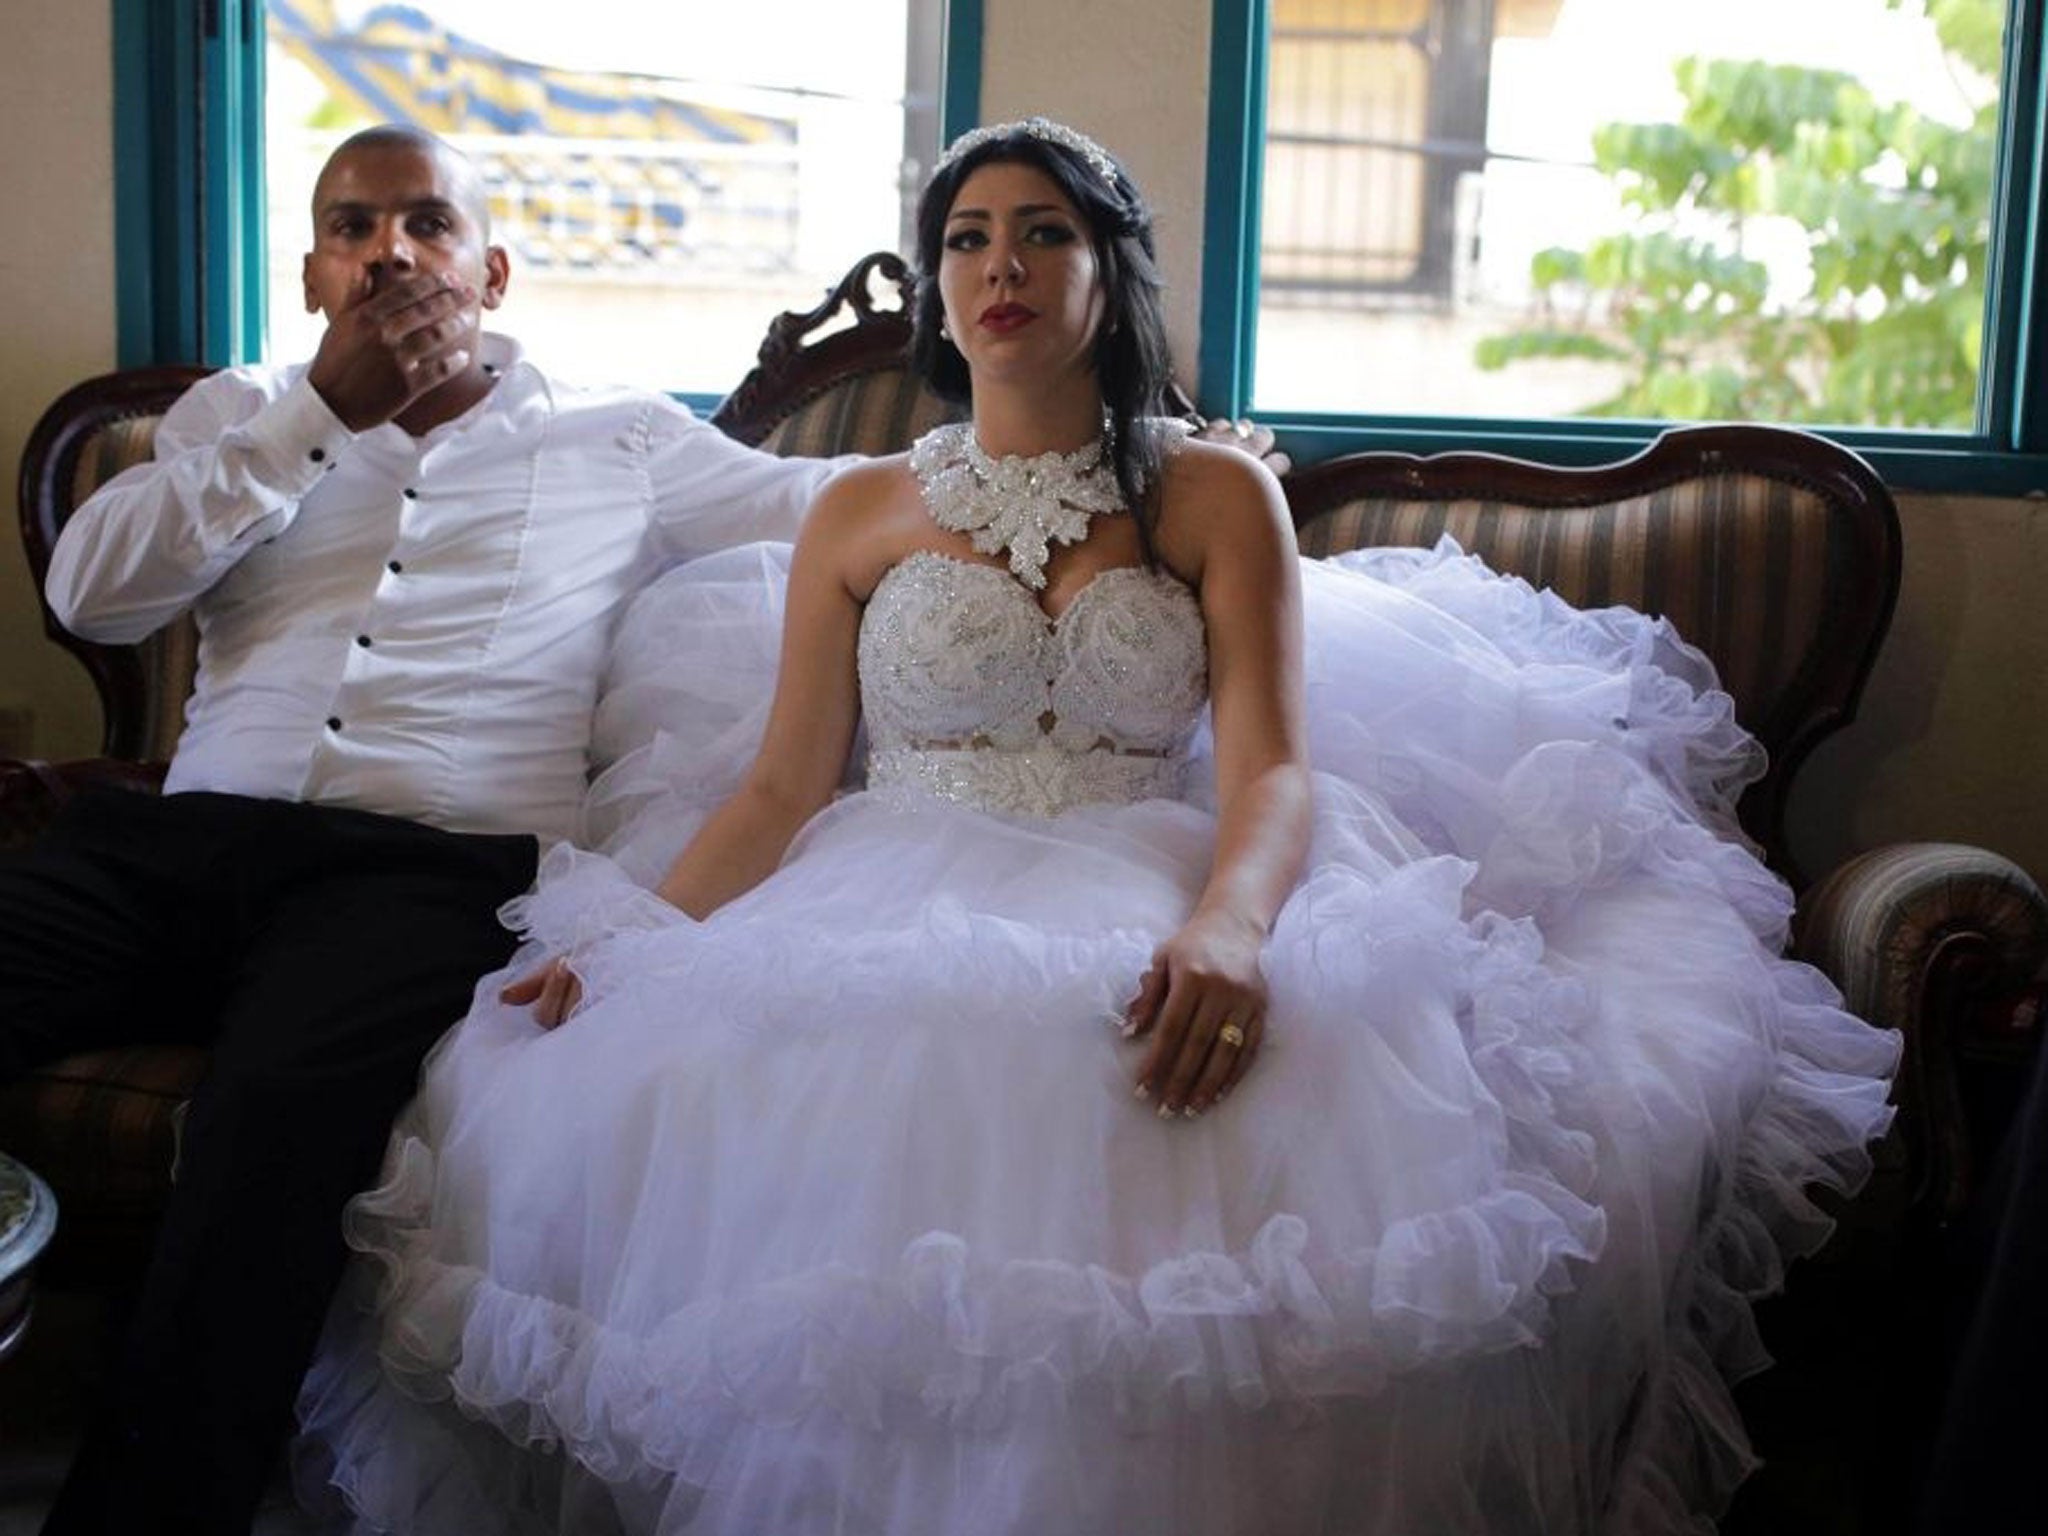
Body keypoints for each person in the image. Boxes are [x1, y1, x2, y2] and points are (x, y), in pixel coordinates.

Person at [293, 120, 1901, 1535]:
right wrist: (625, 937)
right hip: (883, 883)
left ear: (1105, 271)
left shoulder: (1213, 496)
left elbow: (1273, 769)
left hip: (1148, 861)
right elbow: (785, 787)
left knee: (1175, 1107)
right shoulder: (857, 511)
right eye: (967, 239)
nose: (1000, 265)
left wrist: (1226, 923)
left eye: (1043, 233)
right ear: (937, 290)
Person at [1, 124, 846, 1535]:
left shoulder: (622, 434)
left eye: (425, 224)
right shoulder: (238, 409)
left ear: (493, 270)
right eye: (352, 226)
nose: (388, 250)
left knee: (270, 1134)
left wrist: (1116, 459)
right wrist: (308, 419)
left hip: (424, 874)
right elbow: (93, 597)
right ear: (315, 269)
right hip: (176, 843)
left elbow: (833, 504)